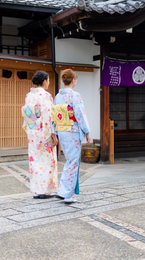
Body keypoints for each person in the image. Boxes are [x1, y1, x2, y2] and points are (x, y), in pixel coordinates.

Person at [54, 69, 91, 205]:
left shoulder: (58, 97)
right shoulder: (75, 96)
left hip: (62, 130)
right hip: (73, 130)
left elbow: (54, 115)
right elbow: (80, 114)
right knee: (73, 161)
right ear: (73, 80)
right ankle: (67, 194)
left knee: (69, 160)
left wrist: (55, 131)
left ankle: (62, 190)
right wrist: (86, 130)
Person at [21, 71, 58, 199]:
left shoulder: (29, 95)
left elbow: (27, 114)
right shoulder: (46, 96)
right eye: (48, 80)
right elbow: (49, 116)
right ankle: (45, 190)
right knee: (47, 161)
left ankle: (36, 190)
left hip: (32, 131)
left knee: (35, 161)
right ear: (44, 81)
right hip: (43, 132)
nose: (49, 83)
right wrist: (52, 133)